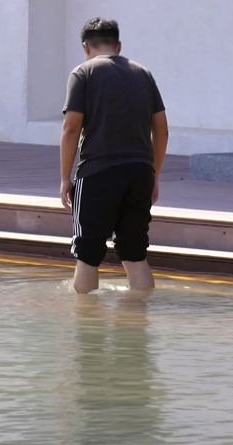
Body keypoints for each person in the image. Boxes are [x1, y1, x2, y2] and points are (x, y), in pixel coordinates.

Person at [60, 18, 169, 294]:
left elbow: (71, 128)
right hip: (140, 173)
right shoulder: (143, 73)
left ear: (86, 47)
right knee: (135, 253)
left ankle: (86, 327)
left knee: (87, 254)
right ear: (118, 46)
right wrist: (154, 174)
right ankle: (138, 322)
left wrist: (64, 178)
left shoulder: (82, 73)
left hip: (98, 173)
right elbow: (162, 131)